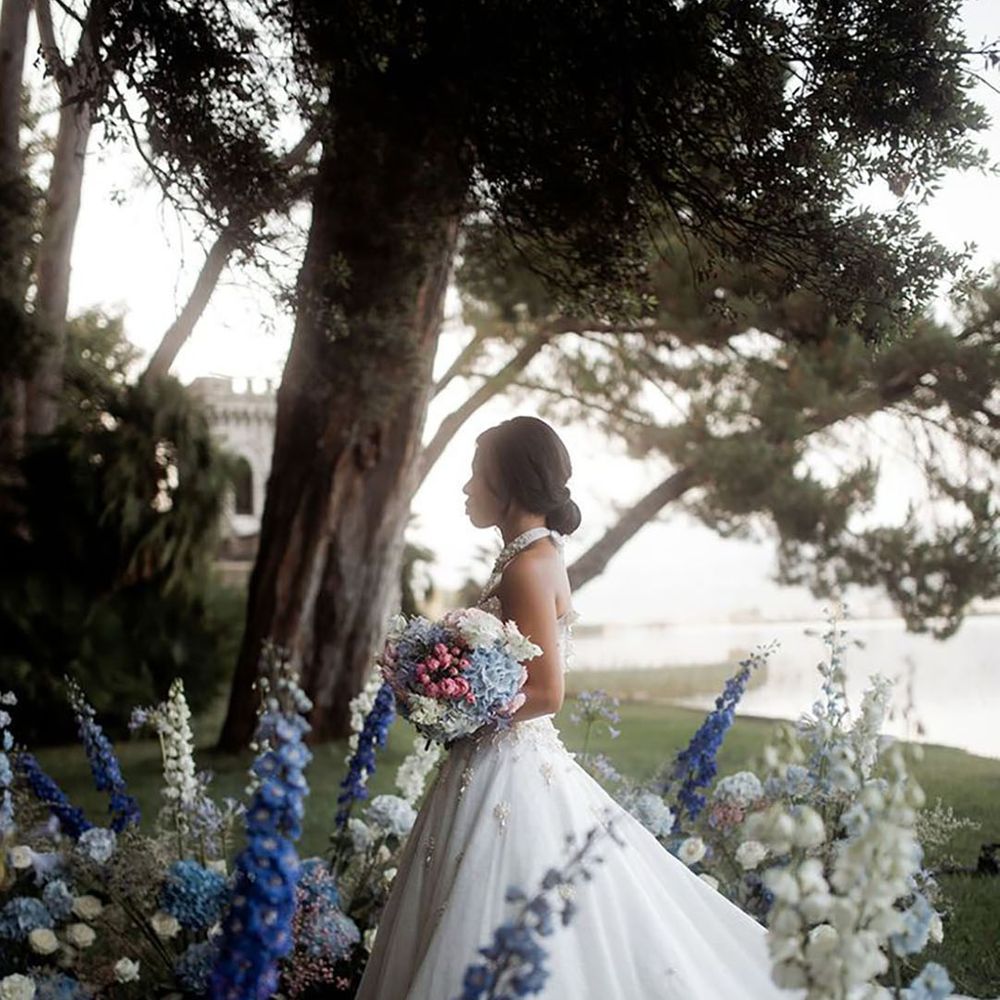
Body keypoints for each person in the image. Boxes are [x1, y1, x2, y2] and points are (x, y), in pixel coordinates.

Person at [354, 415, 805, 999]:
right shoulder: (532, 555)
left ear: (508, 480)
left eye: (475, 475)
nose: (466, 489)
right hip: (495, 757)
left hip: (507, 764)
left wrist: (456, 710)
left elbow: (547, 692)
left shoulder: (528, 564)